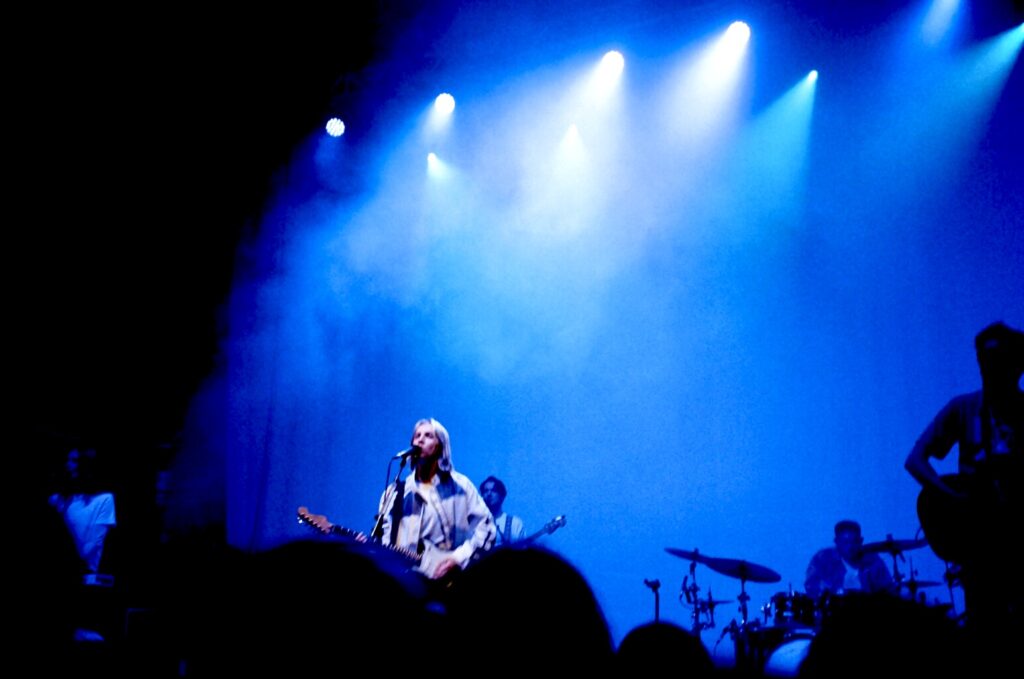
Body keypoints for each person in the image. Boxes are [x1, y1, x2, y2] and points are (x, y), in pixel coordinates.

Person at [904, 320, 1022, 638]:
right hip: (980, 545)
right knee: (985, 624)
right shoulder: (965, 408)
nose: (989, 367)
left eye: (999, 359)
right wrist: (951, 498)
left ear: (1018, 365)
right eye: (983, 360)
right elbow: (915, 461)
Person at [374, 418, 496, 582]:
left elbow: (487, 529)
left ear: (441, 446)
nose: (420, 439)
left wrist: (457, 559)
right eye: (417, 436)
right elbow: (384, 541)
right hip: (404, 583)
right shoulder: (394, 493)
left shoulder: (460, 487)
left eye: (428, 435)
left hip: (449, 583)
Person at [48, 445, 119, 646]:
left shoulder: (104, 499)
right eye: (69, 461)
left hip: (82, 575)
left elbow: (95, 542)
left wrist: (76, 566)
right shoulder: (63, 499)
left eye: (75, 461)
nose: (69, 466)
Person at [804, 520, 893, 599]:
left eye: (854, 542)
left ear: (861, 541)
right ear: (836, 542)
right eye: (845, 542)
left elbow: (888, 588)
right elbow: (811, 586)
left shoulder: (872, 559)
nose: (850, 547)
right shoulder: (823, 558)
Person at [480, 475, 525, 546]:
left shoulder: (515, 523)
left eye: (493, 490)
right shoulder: (475, 523)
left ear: (502, 496)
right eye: (486, 491)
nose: (489, 494)